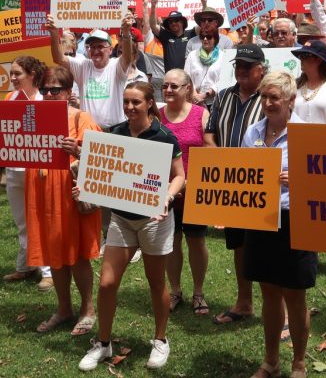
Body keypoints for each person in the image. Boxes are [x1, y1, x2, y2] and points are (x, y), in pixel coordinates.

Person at [77, 82, 185, 372]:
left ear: (150, 103)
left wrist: (168, 196)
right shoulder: (116, 133)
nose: (129, 107)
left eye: (136, 102)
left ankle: (161, 339)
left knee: (156, 282)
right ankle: (103, 343)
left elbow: (179, 176)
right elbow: (101, 170)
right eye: (126, 102)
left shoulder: (164, 136)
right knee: (107, 283)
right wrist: (86, 187)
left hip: (154, 220)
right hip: (122, 219)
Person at [242, 71, 314, 378]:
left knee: (295, 294)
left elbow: (325, 182)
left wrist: (301, 181)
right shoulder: (253, 133)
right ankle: (270, 360)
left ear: (291, 100)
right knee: (269, 292)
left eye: (275, 97)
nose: (268, 103)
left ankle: (299, 361)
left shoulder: (308, 135)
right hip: (260, 220)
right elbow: (242, 175)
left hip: (295, 221)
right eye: (264, 96)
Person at [25, 65, 102, 336]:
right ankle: (64, 308)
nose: (48, 95)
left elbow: (101, 161)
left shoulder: (82, 118)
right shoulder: (32, 116)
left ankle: (88, 309)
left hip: (71, 195)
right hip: (43, 194)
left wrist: (79, 150)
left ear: (68, 92)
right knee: (54, 254)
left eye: (55, 90)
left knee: (77, 255)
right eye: (44, 90)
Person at [204, 44, 267, 325]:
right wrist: (223, 164)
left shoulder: (270, 97)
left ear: (260, 70)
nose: (240, 70)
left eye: (247, 66)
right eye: (237, 65)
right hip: (231, 185)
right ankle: (244, 302)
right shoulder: (222, 96)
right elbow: (209, 135)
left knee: (266, 246)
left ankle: (280, 310)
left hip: (261, 184)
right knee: (239, 245)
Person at [158, 69, 210, 315]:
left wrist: (192, 182)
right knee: (172, 242)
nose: (168, 90)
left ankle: (198, 292)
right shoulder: (156, 117)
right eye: (165, 85)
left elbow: (210, 152)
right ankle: (176, 289)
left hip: (195, 192)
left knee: (196, 241)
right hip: (166, 193)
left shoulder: (201, 114)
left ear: (187, 88)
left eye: (174, 86)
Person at [1, 55, 54, 291]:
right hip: (14, 169)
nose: (13, 78)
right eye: (11, 73)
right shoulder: (8, 98)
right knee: (21, 220)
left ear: (32, 75)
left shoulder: (46, 99)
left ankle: (48, 270)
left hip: (40, 171)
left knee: (41, 219)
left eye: (17, 74)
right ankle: (26, 265)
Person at [48, 14, 140, 130]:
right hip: (88, 130)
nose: (96, 51)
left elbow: (127, 57)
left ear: (110, 50)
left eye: (100, 47)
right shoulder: (83, 66)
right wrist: (54, 34)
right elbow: (58, 58)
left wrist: (126, 33)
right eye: (92, 47)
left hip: (115, 131)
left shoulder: (116, 65)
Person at [290, 39, 326, 124]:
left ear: (319, 60)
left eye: (305, 55)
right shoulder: (295, 85)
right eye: (300, 56)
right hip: (297, 136)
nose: (301, 59)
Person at [184, 31, 222, 106]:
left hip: (214, 102)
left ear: (215, 39)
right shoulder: (192, 55)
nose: (205, 39)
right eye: (202, 37)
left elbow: (223, 80)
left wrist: (205, 95)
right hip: (193, 100)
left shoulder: (223, 56)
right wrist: (194, 94)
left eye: (209, 37)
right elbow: (186, 76)